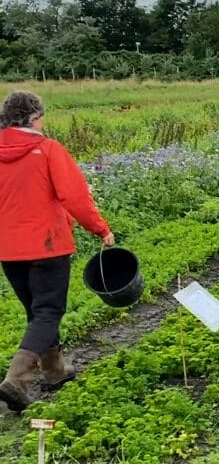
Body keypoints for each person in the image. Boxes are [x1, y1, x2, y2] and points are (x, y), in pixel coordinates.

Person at [0, 91, 115, 412]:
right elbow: (75, 196)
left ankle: (55, 371)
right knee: (49, 312)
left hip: (8, 250)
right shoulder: (47, 149)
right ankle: (17, 380)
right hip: (47, 245)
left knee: (38, 313)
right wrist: (100, 228)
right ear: (35, 117)